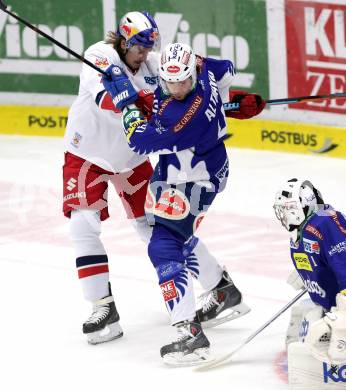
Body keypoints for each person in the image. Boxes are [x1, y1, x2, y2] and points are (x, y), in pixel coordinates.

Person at [63, 11, 249, 345]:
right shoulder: (98, 56)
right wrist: (129, 97)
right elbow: (106, 99)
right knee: (82, 225)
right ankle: (102, 306)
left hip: (132, 159)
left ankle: (220, 287)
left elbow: (172, 105)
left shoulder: (154, 65)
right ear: (123, 40)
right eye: (138, 46)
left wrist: (228, 102)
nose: (145, 53)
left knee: (159, 231)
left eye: (150, 45)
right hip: (87, 153)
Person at [102, 42, 265, 365]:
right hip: (183, 167)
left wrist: (126, 102)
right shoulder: (205, 68)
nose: (175, 89)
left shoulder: (180, 118)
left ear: (192, 73)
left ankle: (189, 334)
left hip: (194, 179)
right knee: (170, 233)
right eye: (169, 82)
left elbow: (139, 138)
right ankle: (222, 291)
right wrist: (228, 105)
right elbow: (228, 69)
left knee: (164, 245)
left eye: (182, 82)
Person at [273, 178, 346, 387]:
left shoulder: (324, 222)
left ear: (298, 207)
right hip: (330, 303)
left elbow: (343, 261)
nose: (282, 215)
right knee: (311, 322)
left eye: (285, 209)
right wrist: (311, 273)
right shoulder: (305, 228)